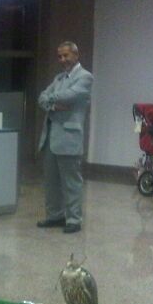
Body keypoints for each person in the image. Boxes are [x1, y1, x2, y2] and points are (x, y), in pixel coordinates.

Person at [37, 41, 93, 234]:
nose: (62, 60)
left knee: (71, 183)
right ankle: (55, 216)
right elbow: (42, 97)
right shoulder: (59, 78)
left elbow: (71, 96)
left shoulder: (85, 77)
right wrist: (52, 104)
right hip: (50, 138)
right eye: (60, 56)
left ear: (76, 56)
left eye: (66, 56)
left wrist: (52, 98)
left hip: (69, 139)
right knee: (51, 183)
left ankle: (74, 220)